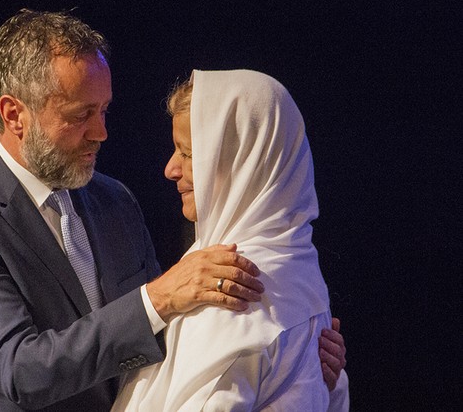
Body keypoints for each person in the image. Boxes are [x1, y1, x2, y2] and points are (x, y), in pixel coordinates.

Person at [0, 10, 345, 411]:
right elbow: (22, 370)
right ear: (14, 114)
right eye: (82, 114)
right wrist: (159, 297)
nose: (101, 132)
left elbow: (164, 340)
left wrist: (295, 365)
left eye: (104, 110)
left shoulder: (113, 200)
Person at [112, 69, 350, 411]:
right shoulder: (297, 264)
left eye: (188, 153)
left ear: (243, 159)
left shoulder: (230, 290)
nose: (171, 169)